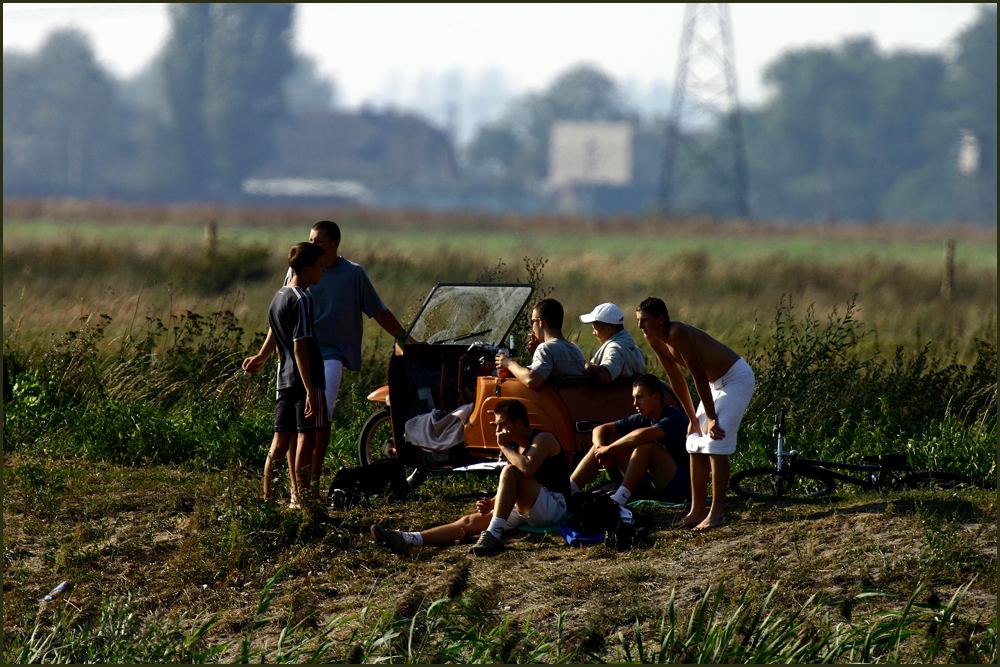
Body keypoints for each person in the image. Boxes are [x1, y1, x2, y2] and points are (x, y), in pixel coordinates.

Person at [244, 220, 412, 497]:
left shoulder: (353, 274)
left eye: (318, 242)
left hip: (329, 356)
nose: (312, 246)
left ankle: (310, 484)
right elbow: (282, 323)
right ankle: (298, 489)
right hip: (294, 359)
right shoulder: (299, 275)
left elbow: (378, 311)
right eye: (310, 240)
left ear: (335, 244)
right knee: (300, 429)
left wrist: (403, 337)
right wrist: (263, 354)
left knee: (316, 424)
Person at [370, 399, 570, 557]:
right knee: (467, 523)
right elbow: (521, 485)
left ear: (518, 423)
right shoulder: (517, 447)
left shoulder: (543, 439)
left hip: (554, 507)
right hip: (533, 506)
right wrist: (492, 503)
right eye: (497, 426)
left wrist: (503, 446)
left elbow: (526, 469)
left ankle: (493, 534)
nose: (498, 431)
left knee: (509, 471)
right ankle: (407, 539)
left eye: (502, 425)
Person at [635, 297, 756, 530]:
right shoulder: (653, 338)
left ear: (661, 319)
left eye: (645, 321)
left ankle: (717, 512)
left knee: (716, 441)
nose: (641, 326)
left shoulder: (678, 332)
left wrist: (710, 418)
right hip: (714, 384)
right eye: (639, 321)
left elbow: (698, 375)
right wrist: (692, 419)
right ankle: (696, 510)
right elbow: (676, 378)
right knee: (693, 442)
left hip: (735, 379)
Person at [261, 242, 328, 507]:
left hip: (284, 378)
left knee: (279, 441)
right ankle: (302, 498)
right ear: (307, 268)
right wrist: (311, 390)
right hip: (305, 378)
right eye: (320, 266)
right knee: (306, 436)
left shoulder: (278, 296)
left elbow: (278, 343)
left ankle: (267, 498)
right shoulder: (302, 299)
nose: (323, 271)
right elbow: (300, 346)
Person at [569, 374, 690, 506]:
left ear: (656, 397)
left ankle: (618, 500)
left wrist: (610, 449)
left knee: (646, 446)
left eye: (639, 397)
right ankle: (568, 490)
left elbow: (642, 435)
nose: (634, 403)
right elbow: (600, 429)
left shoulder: (675, 418)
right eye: (634, 398)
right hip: (651, 481)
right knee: (608, 438)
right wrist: (600, 448)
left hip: (678, 485)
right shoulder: (643, 417)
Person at [494, 298, 586, 389]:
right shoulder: (575, 349)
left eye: (532, 322)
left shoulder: (545, 348)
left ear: (541, 322)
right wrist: (535, 353)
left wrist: (509, 363)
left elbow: (532, 380)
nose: (532, 327)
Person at [578, 302, 646, 384]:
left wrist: (587, 366)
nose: (593, 333)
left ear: (608, 329)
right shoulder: (634, 348)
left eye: (595, 329)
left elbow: (605, 375)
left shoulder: (615, 348)